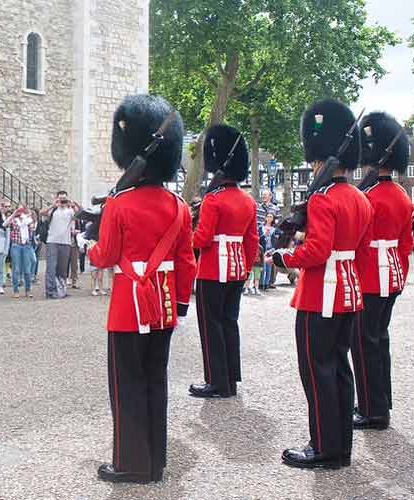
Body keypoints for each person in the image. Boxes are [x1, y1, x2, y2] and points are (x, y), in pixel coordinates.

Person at [86, 94, 195, 484]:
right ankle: (156, 462)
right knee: (155, 380)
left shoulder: (121, 204)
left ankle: (131, 463)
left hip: (129, 306)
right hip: (164, 303)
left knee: (127, 384)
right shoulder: (179, 205)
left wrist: (88, 244)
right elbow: (187, 261)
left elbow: (106, 255)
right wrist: (180, 305)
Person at [272, 99, 372, 470]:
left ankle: (323, 448)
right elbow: (357, 251)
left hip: (320, 295)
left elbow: (316, 251)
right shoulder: (361, 198)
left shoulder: (323, 199)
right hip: (348, 293)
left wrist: (284, 258)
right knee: (340, 371)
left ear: (319, 158)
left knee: (317, 373)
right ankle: (340, 446)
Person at [352, 111, 414, 431]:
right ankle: (378, 398)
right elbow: (406, 246)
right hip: (392, 276)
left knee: (363, 342)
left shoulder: (368, 197)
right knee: (379, 338)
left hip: (369, 278)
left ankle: (372, 410)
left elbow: (359, 244)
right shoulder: (403, 197)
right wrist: (399, 274)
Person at [190, 123, 258, 398]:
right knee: (229, 322)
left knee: (211, 325)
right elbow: (252, 241)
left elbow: (203, 239)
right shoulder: (248, 200)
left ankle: (216, 382)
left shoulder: (213, 200)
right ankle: (230, 378)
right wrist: (244, 266)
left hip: (211, 270)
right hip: (237, 270)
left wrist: (187, 237)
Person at [40, 191, 80, 299]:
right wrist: (53, 205)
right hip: (52, 241)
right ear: (57, 198)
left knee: (62, 268)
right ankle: (50, 290)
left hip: (66, 242)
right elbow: (41, 212)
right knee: (51, 267)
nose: (62, 201)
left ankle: (61, 290)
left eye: (64, 199)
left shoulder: (70, 211)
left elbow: (79, 214)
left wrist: (73, 204)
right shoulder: (53, 210)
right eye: (61, 198)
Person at [4, 205, 35, 298]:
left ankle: (28, 290)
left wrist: (28, 215)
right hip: (16, 245)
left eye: (22, 210)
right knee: (16, 269)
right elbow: (5, 224)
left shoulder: (29, 221)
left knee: (27, 269)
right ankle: (16, 290)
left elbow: (33, 229)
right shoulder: (14, 220)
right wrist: (14, 214)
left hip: (26, 245)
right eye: (19, 210)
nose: (21, 212)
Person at [259, 213, 277, 291]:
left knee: (269, 268)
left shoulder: (274, 229)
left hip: (270, 249)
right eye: (268, 216)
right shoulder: (261, 227)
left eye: (271, 217)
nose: (269, 218)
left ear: (273, 219)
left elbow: (276, 240)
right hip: (262, 249)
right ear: (265, 218)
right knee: (263, 268)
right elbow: (258, 238)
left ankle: (266, 284)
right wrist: (264, 234)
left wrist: (273, 248)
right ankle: (260, 284)